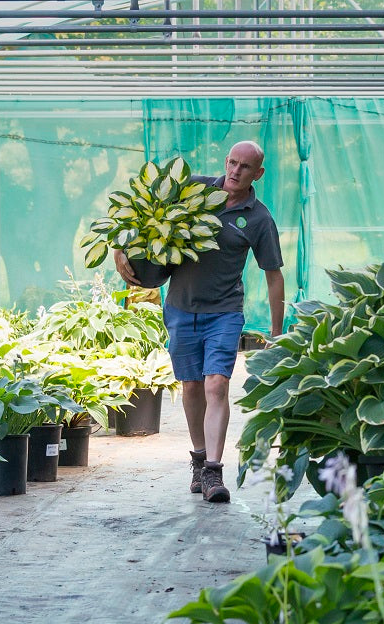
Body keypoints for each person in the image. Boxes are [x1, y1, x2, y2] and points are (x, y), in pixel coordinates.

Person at [115, 140, 284, 503]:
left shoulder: (259, 218)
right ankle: (198, 458)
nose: (236, 171)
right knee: (191, 387)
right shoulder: (195, 191)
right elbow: (135, 216)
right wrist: (118, 248)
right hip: (180, 308)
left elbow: (274, 276)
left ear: (259, 173)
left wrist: (276, 333)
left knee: (216, 385)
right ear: (227, 162)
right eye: (232, 162)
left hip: (224, 312)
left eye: (245, 166)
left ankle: (213, 470)